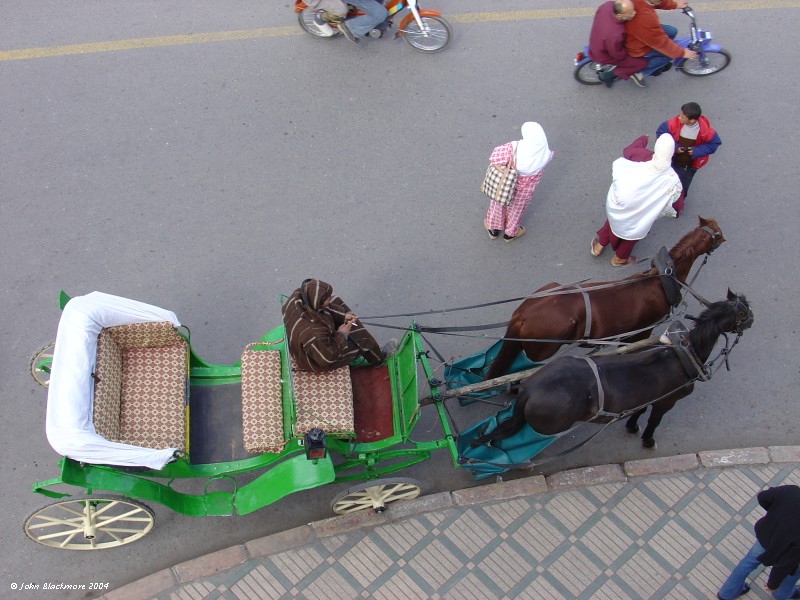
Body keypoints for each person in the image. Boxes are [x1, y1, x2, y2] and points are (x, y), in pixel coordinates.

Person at [591, 133, 682, 266]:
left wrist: (643, 139)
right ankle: (619, 259)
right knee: (631, 237)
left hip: (624, 207)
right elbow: (677, 204)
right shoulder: (674, 180)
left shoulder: (643, 156)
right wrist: (676, 213)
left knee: (612, 223)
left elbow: (628, 150)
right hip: (643, 216)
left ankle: (599, 246)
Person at [282, 279, 387, 372]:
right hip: (314, 360)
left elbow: (325, 308)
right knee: (365, 341)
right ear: (317, 302)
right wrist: (342, 334)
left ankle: (350, 328)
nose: (329, 298)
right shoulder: (314, 333)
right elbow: (327, 357)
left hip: (309, 339)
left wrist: (343, 316)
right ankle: (379, 360)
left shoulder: (299, 296)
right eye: (327, 298)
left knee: (336, 300)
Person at [717, 485, 800, 600]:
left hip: (766, 537)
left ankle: (726, 594)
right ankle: (782, 594)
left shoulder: (791, 491)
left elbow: (763, 497)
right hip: (787, 550)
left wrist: (773, 514)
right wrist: (772, 585)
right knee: (793, 572)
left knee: (747, 563)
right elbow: (785, 565)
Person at [483, 122, 554, 243]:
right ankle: (510, 234)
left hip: (505, 184)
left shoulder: (512, 148)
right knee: (517, 209)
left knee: (498, 203)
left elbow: (494, 158)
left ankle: (493, 229)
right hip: (525, 190)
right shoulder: (547, 154)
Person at [656, 101, 721, 201]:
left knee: (682, 186)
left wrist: (696, 151)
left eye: (682, 117)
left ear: (692, 121)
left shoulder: (706, 132)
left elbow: (714, 144)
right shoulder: (672, 124)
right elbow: (661, 133)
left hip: (689, 166)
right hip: (671, 160)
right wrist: (675, 148)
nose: (679, 118)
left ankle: (677, 202)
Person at [625, 0, 697, 76]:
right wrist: (682, 53)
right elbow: (661, 43)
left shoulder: (646, 3)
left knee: (672, 31)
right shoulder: (646, 18)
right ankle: (639, 72)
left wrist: (675, 4)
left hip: (640, 31)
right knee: (669, 55)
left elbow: (658, 2)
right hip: (637, 46)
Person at [588, 0, 649, 88]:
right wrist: (629, 55)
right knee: (641, 63)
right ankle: (609, 75)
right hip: (604, 54)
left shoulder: (607, 5)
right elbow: (617, 55)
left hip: (595, 41)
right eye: (630, 13)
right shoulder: (615, 34)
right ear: (619, 15)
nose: (634, 13)